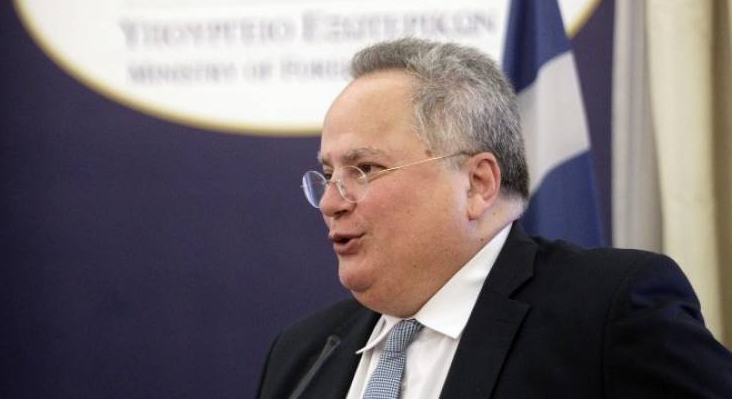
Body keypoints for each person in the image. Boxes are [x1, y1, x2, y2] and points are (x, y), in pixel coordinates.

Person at [256, 38, 732, 399]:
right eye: (328, 175)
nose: (330, 202)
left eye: (364, 169)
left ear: (477, 183)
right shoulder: (302, 355)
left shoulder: (606, 314)